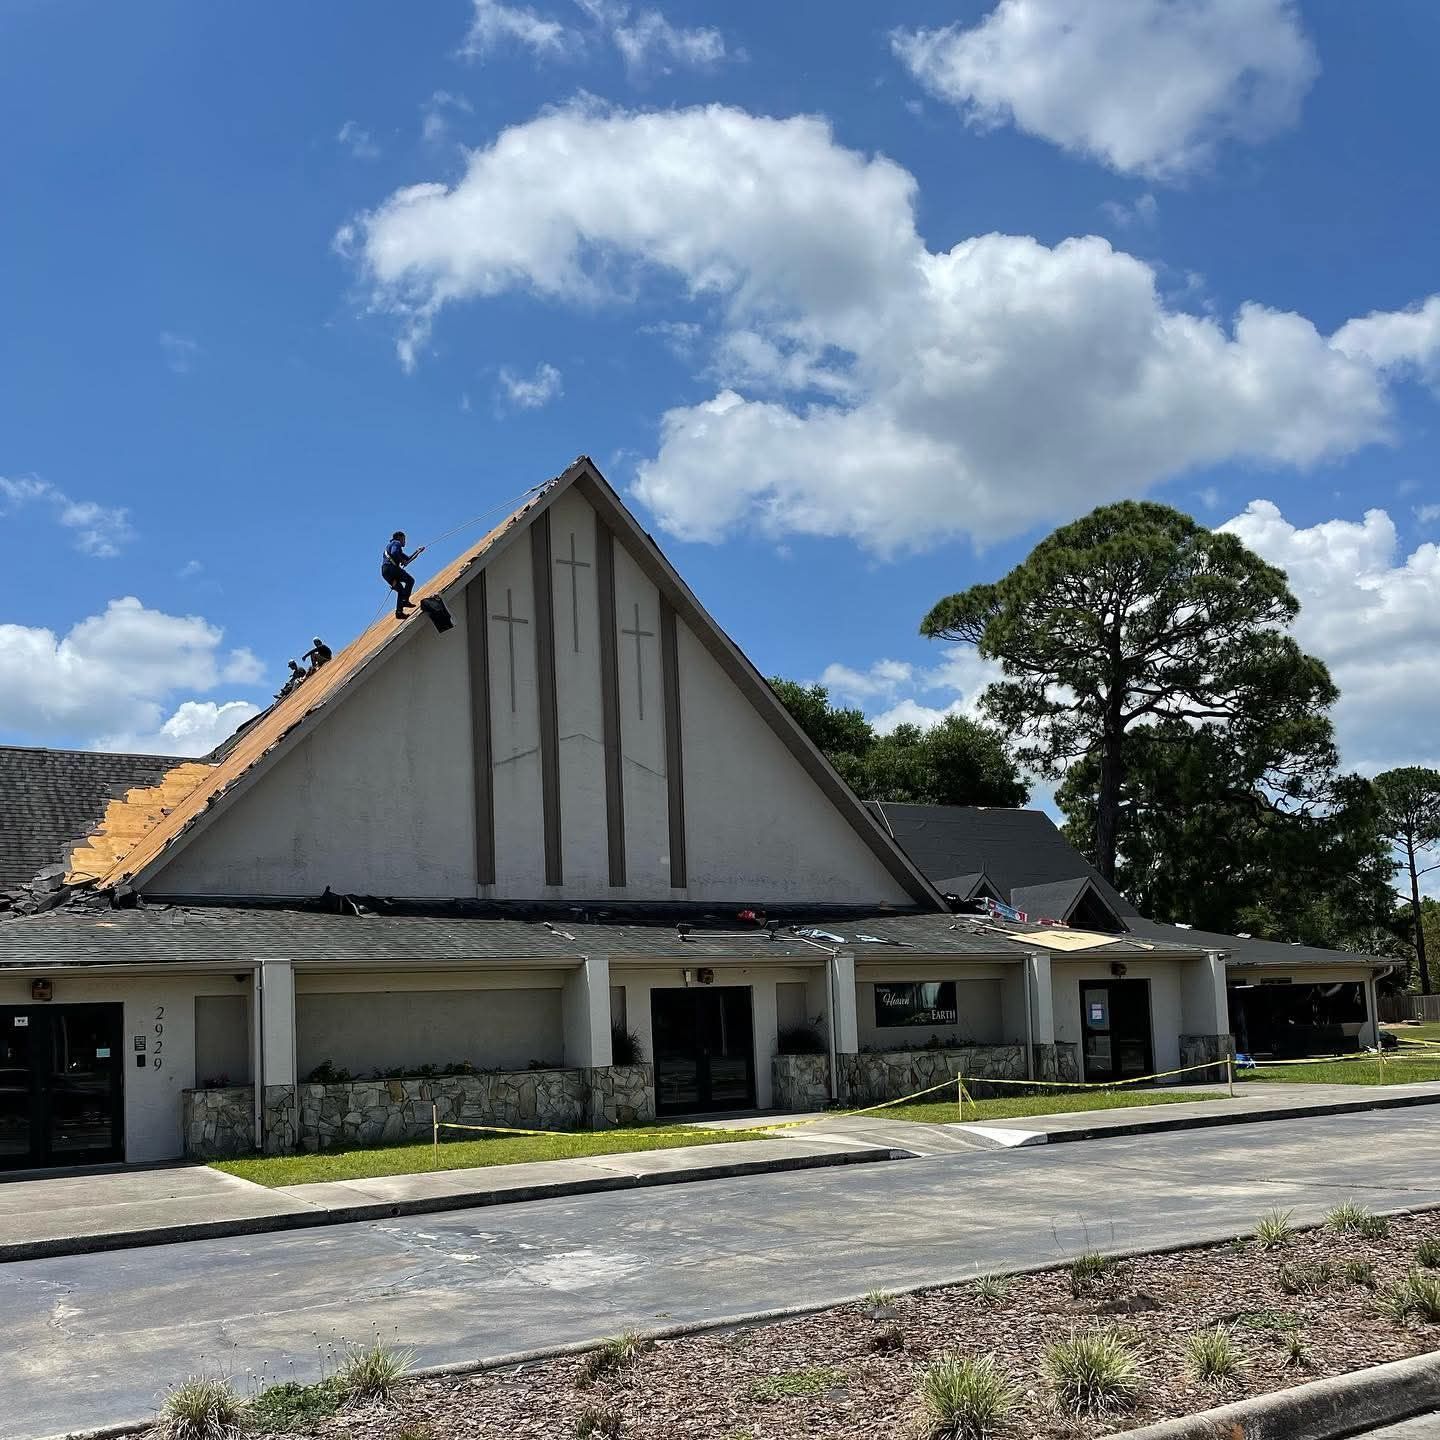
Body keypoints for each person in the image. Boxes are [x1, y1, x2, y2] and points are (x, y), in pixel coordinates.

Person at [381, 531, 425, 619]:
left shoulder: (393, 548)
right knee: (410, 580)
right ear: (399, 538)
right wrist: (401, 560)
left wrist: (418, 551)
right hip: (391, 568)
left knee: (400, 590)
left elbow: (407, 559)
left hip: (386, 572)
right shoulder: (396, 543)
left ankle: (399, 613)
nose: (404, 541)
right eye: (404, 539)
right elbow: (394, 553)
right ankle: (405, 601)